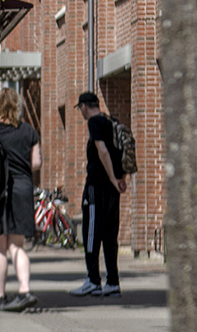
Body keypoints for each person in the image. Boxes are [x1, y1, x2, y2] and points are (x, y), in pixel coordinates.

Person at [69, 91, 126, 298]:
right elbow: (125, 151)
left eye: (80, 109)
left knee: (91, 233)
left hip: (97, 186)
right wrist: (120, 178)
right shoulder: (113, 122)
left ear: (84, 106)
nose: (81, 112)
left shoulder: (94, 123)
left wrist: (111, 177)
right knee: (110, 235)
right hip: (113, 189)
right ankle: (113, 281)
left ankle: (93, 280)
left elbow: (102, 151)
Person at [0, 88, 41, 311]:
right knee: (17, 245)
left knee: (0, 247)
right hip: (23, 188)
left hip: (1, 190)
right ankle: (25, 290)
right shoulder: (28, 131)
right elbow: (36, 163)